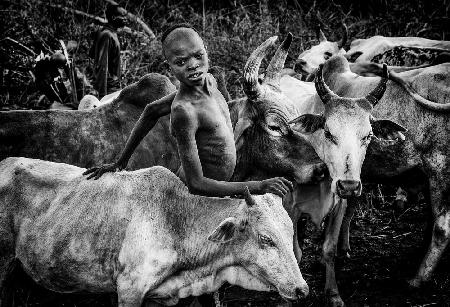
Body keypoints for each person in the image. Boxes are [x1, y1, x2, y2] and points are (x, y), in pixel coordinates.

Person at [84, 24, 292, 198]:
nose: (193, 65)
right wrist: (259, 186)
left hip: (220, 187)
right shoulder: (184, 111)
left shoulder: (210, 80)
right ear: (170, 66)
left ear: (206, 50)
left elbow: (151, 110)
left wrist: (120, 162)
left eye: (198, 55)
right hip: (194, 196)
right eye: (181, 62)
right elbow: (197, 184)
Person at [90, 3, 127, 97]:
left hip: (113, 86)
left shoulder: (109, 33)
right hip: (110, 89)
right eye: (123, 16)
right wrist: (102, 96)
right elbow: (102, 66)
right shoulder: (107, 35)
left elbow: (91, 54)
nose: (126, 19)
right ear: (114, 17)